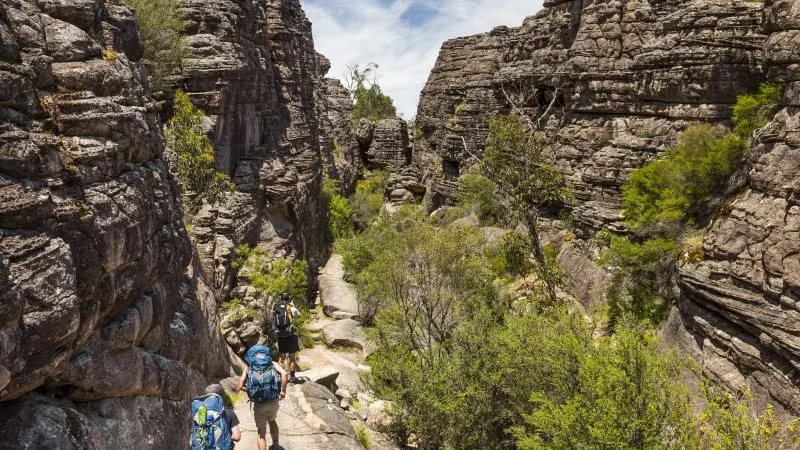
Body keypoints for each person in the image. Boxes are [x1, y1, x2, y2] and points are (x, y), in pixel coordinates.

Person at [238, 344, 288, 450]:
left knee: (261, 432)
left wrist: (250, 393)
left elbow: (240, 386)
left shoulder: (249, 367)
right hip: (273, 399)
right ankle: (275, 445)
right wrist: (283, 391)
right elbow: (284, 374)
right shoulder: (272, 364)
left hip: (259, 403)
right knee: (272, 421)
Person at [273, 292, 301, 380]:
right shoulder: (291, 308)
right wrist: (293, 306)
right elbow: (298, 315)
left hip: (280, 334)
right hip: (291, 335)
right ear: (288, 299)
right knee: (292, 357)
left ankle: (281, 377)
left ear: (281, 299)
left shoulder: (276, 308)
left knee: (282, 357)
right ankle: (292, 377)